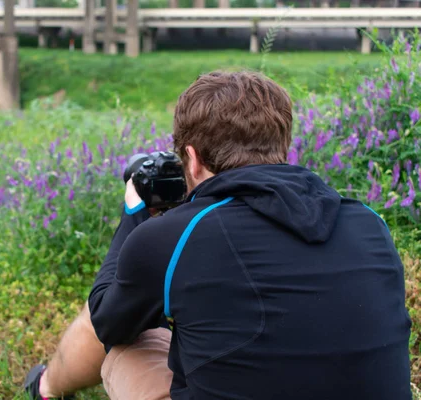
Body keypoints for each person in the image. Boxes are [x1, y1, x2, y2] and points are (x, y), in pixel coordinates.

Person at [24, 71, 412, 400]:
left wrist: (134, 217)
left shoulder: (174, 236)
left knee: (129, 342)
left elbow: (108, 323)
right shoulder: (369, 221)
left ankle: (44, 388)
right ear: (283, 146)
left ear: (191, 158)